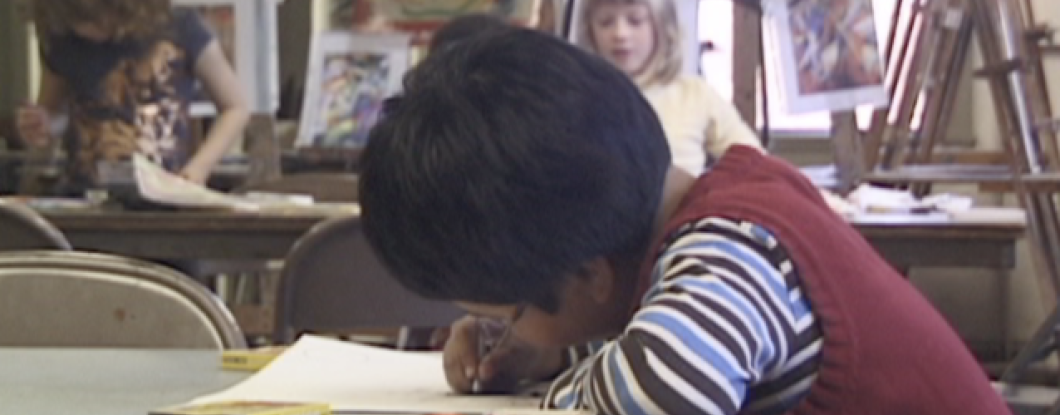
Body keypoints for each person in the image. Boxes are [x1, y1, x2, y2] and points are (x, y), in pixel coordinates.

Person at [358, 29, 1010, 414]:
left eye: (508, 314)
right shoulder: (718, 194)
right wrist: (550, 344)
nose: (502, 332)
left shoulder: (731, 249)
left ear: (589, 272)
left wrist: (564, 384)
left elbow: (658, 391)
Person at [17, 0, 249, 195]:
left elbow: (235, 107)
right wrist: (43, 124)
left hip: (165, 196)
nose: (91, 33)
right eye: (80, 23)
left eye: (98, 19)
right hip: (84, 196)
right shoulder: (62, 40)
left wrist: (199, 168)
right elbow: (56, 115)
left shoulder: (181, 27)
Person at [576, 0, 761, 176]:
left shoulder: (695, 94)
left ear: (662, 26)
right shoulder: (575, 96)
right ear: (590, 31)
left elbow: (757, 164)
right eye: (606, 22)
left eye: (635, 21)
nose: (620, 33)